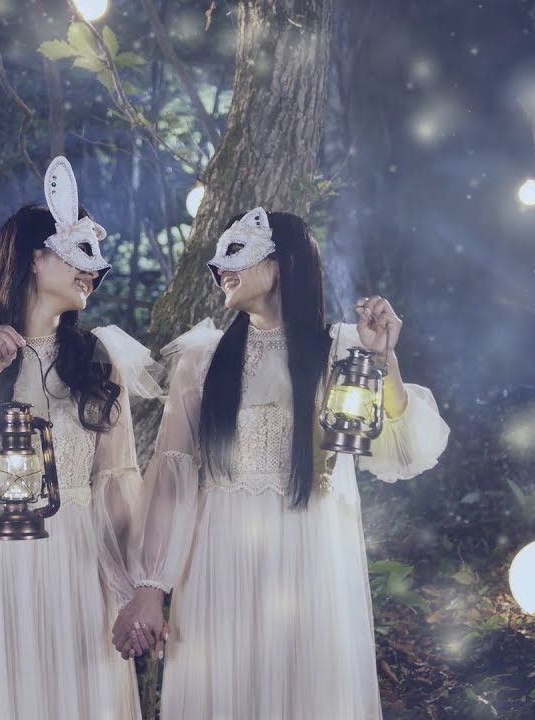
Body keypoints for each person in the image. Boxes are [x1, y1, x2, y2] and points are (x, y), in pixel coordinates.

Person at [114, 208, 449, 719]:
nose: (219, 267)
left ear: (285, 262)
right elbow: (172, 473)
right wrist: (150, 586)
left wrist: (383, 360)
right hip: (218, 560)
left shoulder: (343, 350)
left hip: (311, 557)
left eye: (236, 253)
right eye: (219, 257)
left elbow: (404, 450)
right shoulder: (202, 360)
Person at [0, 157, 160, 719]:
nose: (93, 270)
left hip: (76, 566)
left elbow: (119, 483)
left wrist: (140, 588)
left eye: (95, 257)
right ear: (34, 257)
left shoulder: (99, 360)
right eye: (77, 253)